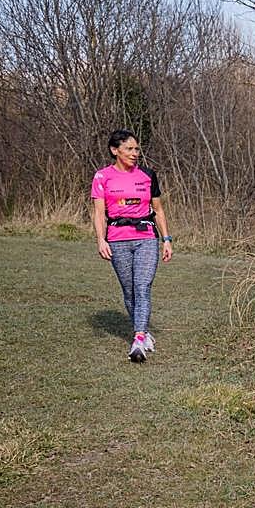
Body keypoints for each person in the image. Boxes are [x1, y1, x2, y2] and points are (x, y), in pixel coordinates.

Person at [90, 129, 173, 362]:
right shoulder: (102, 177)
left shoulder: (147, 175)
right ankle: (144, 331)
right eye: (129, 149)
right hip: (117, 238)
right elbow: (98, 214)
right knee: (129, 291)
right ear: (114, 151)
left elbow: (158, 210)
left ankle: (138, 339)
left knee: (142, 286)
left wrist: (166, 239)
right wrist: (100, 239)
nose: (135, 153)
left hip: (146, 236)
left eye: (136, 149)